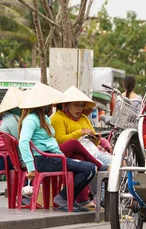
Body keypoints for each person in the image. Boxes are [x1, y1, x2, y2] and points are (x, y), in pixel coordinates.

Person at [17, 83, 97, 212]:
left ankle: (69, 198)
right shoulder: (31, 119)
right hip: (45, 160)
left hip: (55, 158)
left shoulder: (44, 119)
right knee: (90, 168)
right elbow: (23, 142)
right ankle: (63, 198)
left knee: (87, 167)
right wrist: (30, 168)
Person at [0, 87, 24, 171]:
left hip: (12, 158)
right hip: (19, 160)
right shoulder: (13, 119)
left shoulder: (7, 119)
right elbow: (22, 140)